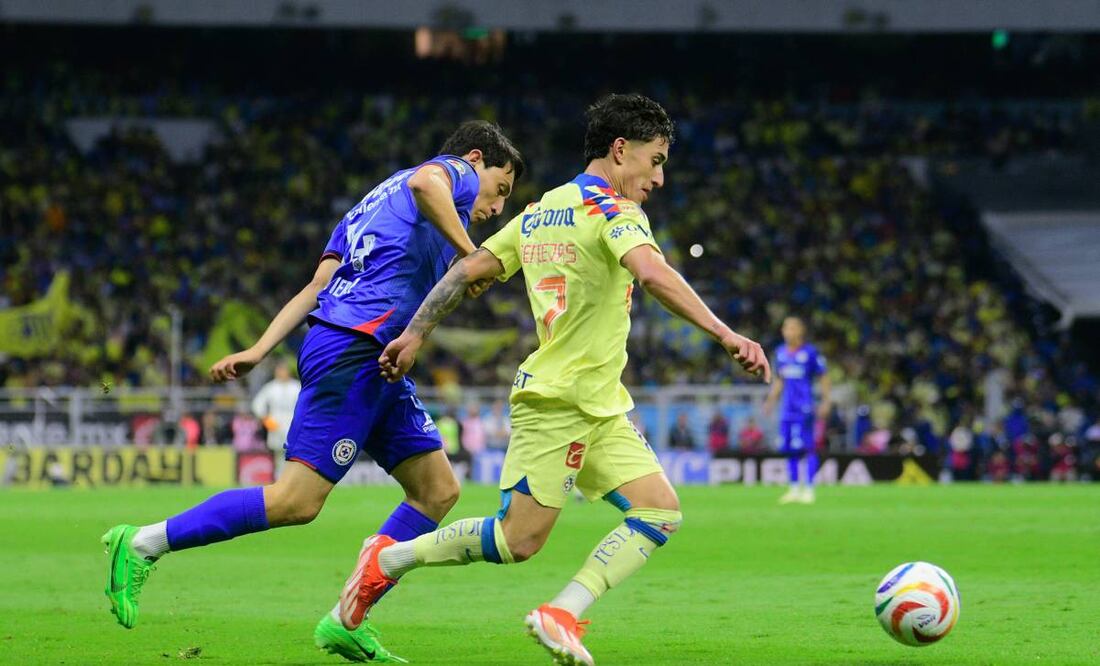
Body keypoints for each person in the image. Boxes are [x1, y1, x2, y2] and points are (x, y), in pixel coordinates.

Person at [345, 93, 770, 665]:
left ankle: (562, 612)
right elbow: (652, 272)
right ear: (621, 151)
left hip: (600, 405)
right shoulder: (613, 211)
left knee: (659, 509)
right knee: (515, 541)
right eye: (657, 158)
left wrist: (418, 331)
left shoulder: (542, 209)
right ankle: (385, 561)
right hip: (557, 402)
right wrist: (727, 335)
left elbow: (469, 268)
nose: (660, 176)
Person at [99, 121, 523, 662]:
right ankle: (142, 542)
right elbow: (428, 185)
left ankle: (348, 618)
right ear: (474, 158)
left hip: (374, 354)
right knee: (296, 501)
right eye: (501, 189)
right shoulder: (451, 176)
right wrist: (471, 254)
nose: (497, 208)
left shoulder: (366, 207)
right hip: (355, 349)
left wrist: (260, 348)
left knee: (437, 489)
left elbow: (318, 288)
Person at [763, 316, 831, 504]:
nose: (787, 332)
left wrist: (826, 401)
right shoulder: (780, 353)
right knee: (789, 449)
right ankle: (793, 489)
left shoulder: (810, 352)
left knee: (807, 447)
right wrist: (770, 401)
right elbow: (779, 380)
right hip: (787, 408)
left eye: (792, 328)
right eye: (785, 328)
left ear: (800, 331)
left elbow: (824, 376)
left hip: (805, 407)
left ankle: (809, 489)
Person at [250, 359, 302, 477]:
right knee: (278, 456)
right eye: (279, 370)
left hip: (293, 423)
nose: (281, 372)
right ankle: (278, 481)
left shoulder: (296, 386)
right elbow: (257, 404)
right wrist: (265, 419)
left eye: (284, 370)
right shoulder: (270, 387)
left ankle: (292, 482)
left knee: (294, 456)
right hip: (275, 423)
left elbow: (305, 404)